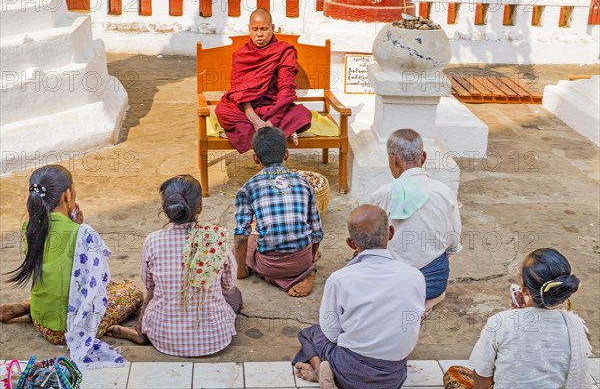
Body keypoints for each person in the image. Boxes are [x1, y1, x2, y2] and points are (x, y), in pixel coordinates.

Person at [0, 165, 143, 367]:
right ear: (67, 195)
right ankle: (28, 307)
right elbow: (94, 280)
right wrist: (77, 226)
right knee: (132, 292)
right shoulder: (81, 233)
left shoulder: (29, 226)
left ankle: (27, 306)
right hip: (64, 329)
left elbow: (56, 265)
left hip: (42, 320)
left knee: (55, 285)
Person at [107, 175, 242, 357]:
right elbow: (228, 285)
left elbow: (150, 286)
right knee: (235, 296)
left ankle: (141, 332)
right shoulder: (216, 239)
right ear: (200, 208)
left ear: (166, 210)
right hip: (215, 339)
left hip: (163, 336)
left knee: (152, 297)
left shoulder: (153, 241)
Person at [293, 205, 425, 388]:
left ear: (351, 243)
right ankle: (329, 371)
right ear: (391, 233)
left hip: (349, 370)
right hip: (392, 377)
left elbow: (331, 332)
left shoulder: (340, 279)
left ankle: (319, 369)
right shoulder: (415, 276)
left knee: (311, 334)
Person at [444, 248, 592, 389]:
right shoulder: (575, 326)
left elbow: (482, 384)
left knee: (454, 373)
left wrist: (517, 314)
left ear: (524, 287)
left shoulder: (499, 322)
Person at [370, 128, 462, 314]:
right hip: (432, 283)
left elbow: (368, 241)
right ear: (423, 157)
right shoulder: (445, 192)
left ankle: (400, 303)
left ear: (393, 159)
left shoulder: (384, 194)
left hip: (392, 284)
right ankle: (427, 300)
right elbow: (453, 243)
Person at [234, 127, 323, 297]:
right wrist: (308, 259)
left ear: (255, 158)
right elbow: (317, 232)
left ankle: (280, 278)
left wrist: (241, 272)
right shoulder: (304, 183)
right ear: (286, 154)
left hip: (269, 265)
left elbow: (240, 237)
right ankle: (305, 272)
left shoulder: (248, 187)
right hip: (302, 260)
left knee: (241, 246)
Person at [214, 8, 312, 153]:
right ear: (249, 29)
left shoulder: (284, 51)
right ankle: (279, 135)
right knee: (222, 111)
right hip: (248, 111)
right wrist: (256, 121)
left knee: (302, 114)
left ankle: (261, 137)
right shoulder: (241, 55)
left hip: (273, 107)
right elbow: (239, 94)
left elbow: (286, 90)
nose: (259, 34)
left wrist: (271, 122)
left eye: (264, 29)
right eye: (255, 29)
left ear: (272, 28)